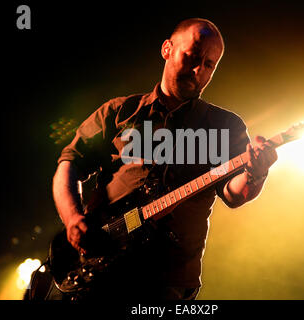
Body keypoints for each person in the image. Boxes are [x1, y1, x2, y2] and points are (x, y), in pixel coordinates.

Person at [47, 18, 277, 300]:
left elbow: (233, 194)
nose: (198, 71)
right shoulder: (120, 111)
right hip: (100, 266)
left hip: (168, 280)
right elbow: (68, 164)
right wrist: (72, 218)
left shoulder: (225, 126)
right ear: (167, 49)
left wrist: (256, 173)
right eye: (191, 57)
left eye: (209, 65)